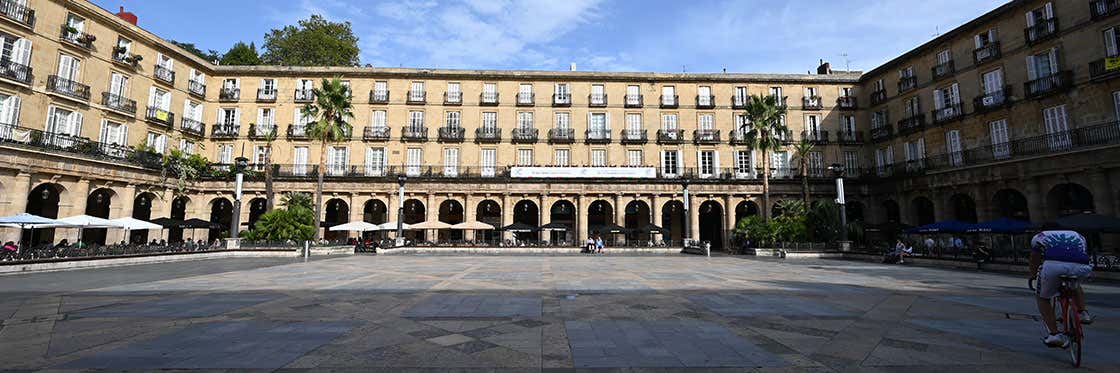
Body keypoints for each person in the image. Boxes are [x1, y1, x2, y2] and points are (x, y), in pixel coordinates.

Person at [1029, 230, 1094, 348]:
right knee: (1076, 286)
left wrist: (1033, 274)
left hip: (1053, 266)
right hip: (1082, 266)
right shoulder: (1077, 235)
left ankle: (1054, 334)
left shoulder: (1040, 236)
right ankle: (1083, 313)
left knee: (1042, 297)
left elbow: (1034, 258)